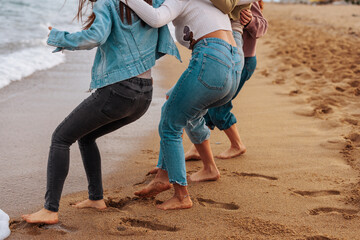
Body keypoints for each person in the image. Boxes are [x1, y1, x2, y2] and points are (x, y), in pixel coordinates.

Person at [21, 0, 180, 224]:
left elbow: (95, 37)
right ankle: (96, 198)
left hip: (119, 92)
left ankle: (50, 209)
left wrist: (59, 37)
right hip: (144, 94)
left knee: (61, 138)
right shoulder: (149, 3)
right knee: (86, 137)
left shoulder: (107, 3)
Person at [121, 0, 258, 210]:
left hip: (212, 59)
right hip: (233, 66)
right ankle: (177, 172)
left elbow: (157, 18)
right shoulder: (209, 4)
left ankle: (181, 195)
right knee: (181, 109)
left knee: (170, 124)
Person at [185, 0, 268, 160]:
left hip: (244, 60)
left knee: (218, 106)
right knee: (209, 103)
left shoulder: (244, 2)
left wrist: (250, 21)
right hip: (223, 58)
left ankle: (237, 145)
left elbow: (263, 27)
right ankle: (197, 148)